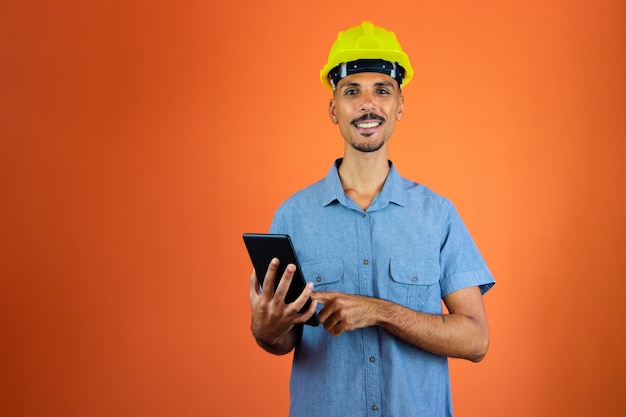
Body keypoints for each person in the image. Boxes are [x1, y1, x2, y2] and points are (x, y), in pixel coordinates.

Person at [248, 20, 495, 417]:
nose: (368, 104)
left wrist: (377, 311)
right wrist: (266, 327)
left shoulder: (438, 215)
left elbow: (476, 340)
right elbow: (281, 341)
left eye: (382, 90)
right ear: (334, 109)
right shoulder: (292, 216)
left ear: (400, 106)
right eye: (352, 91)